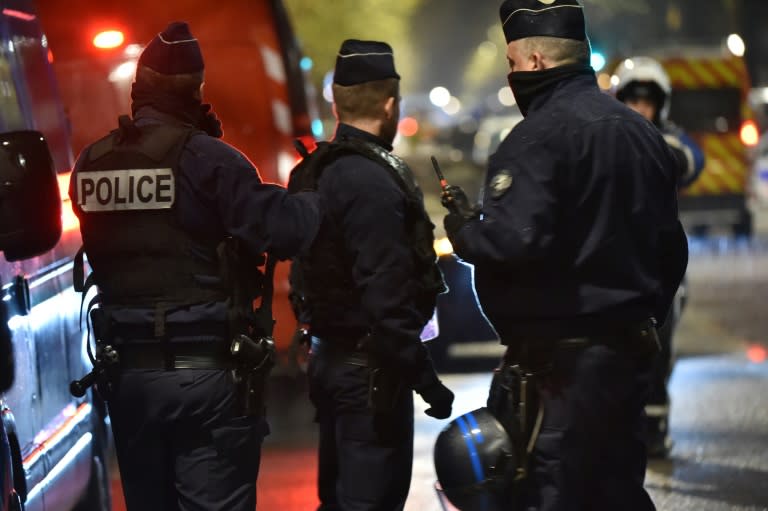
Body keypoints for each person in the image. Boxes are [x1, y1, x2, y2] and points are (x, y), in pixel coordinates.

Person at [439, 1, 688, 510]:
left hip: (559, 376)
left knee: (555, 494)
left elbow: (512, 244)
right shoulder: (643, 136)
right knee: (618, 491)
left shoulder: (534, 141)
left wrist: (467, 233)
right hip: (626, 361)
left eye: (511, 64)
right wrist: (640, 321)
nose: (510, 77)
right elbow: (672, 248)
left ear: (533, 63)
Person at [69, 21, 322, 511]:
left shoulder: (92, 163)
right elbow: (283, 230)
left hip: (129, 380)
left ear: (138, 90)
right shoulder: (212, 161)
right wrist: (310, 192)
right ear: (196, 91)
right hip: (205, 380)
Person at [288, 39, 455, 511]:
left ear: (337, 103)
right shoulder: (373, 182)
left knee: (338, 500)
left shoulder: (313, 171)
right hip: (371, 377)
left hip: (329, 361)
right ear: (389, 104)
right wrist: (426, 380)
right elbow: (385, 298)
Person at [614, 55, 705, 457]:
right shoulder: (607, 137)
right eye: (632, 101)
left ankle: (653, 426)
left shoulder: (668, 141)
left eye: (646, 102)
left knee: (659, 345)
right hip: (615, 261)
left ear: (659, 105)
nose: (639, 109)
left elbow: (690, 161)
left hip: (659, 265)